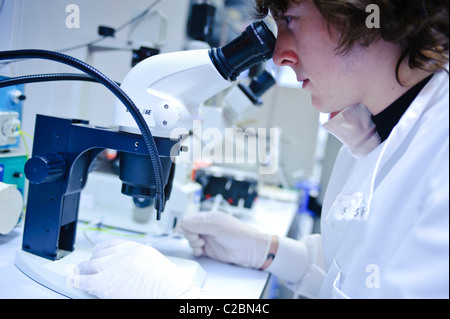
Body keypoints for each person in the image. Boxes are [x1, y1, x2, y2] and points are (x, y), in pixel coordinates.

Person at [71, 0, 449, 298]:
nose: (279, 54)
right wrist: (267, 250)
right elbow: (352, 274)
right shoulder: (369, 127)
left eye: (291, 19)